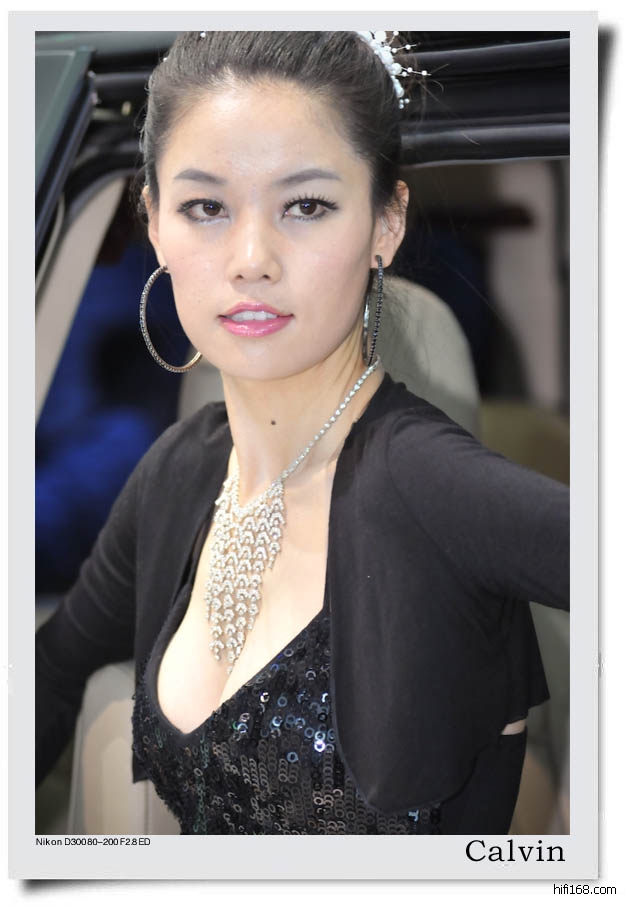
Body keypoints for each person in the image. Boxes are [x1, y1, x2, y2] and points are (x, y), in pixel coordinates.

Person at [35, 30, 569, 835]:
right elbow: (51, 673)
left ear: (386, 223)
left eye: (307, 205)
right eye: (206, 207)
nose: (252, 257)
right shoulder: (177, 472)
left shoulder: (432, 485)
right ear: (154, 224)